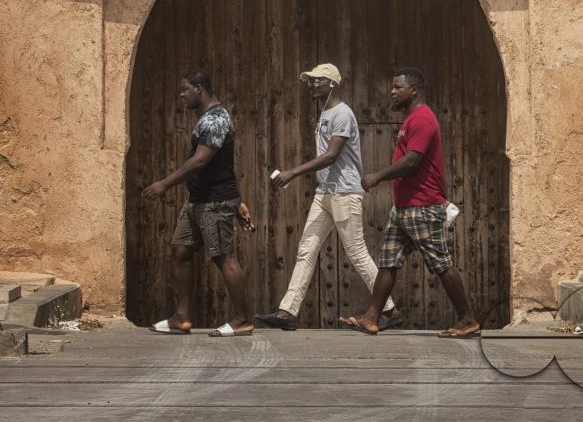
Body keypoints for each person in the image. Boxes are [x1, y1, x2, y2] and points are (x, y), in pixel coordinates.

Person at [255, 63, 400, 331]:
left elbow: (331, 155)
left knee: (356, 253)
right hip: (325, 193)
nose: (312, 85)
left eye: (317, 81)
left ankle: (389, 308)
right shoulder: (324, 112)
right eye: (310, 81)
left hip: (345, 192)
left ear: (331, 83)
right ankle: (288, 311)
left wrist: (293, 172)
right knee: (306, 250)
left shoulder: (342, 114)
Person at [338, 68, 479, 338]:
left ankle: (467, 318)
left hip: (422, 207)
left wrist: (377, 176)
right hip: (405, 208)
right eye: (392, 87)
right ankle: (372, 317)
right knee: (388, 261)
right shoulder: (410, 119)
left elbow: (412, 160)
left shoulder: (423, 119)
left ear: (413, 90)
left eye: (397, 87)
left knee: (441, 263)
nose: (392, 92)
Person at [142, 69, 255, 337]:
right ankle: (182, 317)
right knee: (181, 251)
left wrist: (165, 184)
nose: (181, 95)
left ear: (199, 89)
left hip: (214, 201)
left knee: (223, 257)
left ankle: (243, 320)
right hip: (198, 201)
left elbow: (201, 160)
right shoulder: (207, 118)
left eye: (185, 90)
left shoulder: (216, 119)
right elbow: (224, 164)